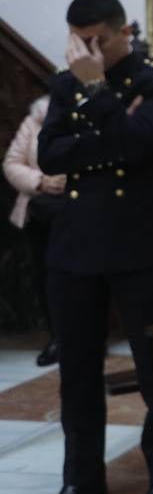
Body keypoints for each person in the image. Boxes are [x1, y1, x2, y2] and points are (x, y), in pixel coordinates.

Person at [34, 0, 153, 494]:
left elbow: (142, 145)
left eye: (98, 40)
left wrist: (96, 91)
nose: (86, 50)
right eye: (79, 40)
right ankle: (81, 478)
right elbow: (50, 153)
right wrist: (110, 133)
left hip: (136, 246)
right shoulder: (62, 81)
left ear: (126, 32)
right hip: (75, 245)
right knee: (76, 371)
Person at [5, 95, 64, 366]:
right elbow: (12, 163)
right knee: (45, 276)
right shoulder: (35, 118)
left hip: (78, 209)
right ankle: (57, 337)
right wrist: (40, 181)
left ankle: (86, 337)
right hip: (40, 212)